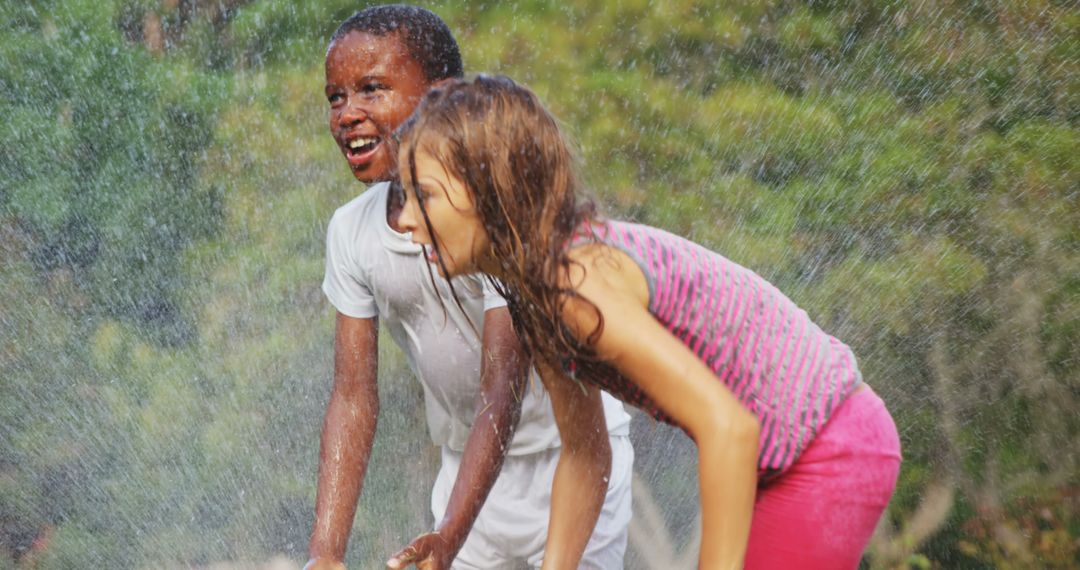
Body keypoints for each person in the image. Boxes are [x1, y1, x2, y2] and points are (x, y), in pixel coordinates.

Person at [394, 75, 903, 569]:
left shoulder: (578, 283)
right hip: (787, 457)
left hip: (829, 447)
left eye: (426, 195)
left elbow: (728, 427)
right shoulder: (537, 299)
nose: (406, 218)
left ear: (494, 188)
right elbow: (585, 454)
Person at [306, 7, 634, 570]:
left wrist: (451, 534)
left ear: (443, 96)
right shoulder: (350, 231)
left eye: (372, 89)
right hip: (465, 470)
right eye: (336, 97)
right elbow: (354, 397)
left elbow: (500, 388)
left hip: (568, 458)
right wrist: (325, 553)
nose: (348, 113)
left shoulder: (487, 216)